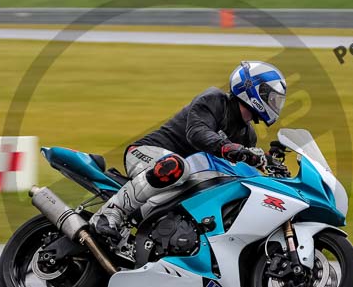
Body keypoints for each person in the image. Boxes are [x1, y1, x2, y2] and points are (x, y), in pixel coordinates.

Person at [89, 61, 287, 242]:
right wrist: (229, 148)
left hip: (184, 179)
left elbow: (243, 166)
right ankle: (108, 214)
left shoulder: (247, 134)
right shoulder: (214, 100)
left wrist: (268, 162)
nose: (274, 103)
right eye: (271, 97)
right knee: (177, 166)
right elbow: (197, 133)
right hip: (146, 155)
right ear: (252, 89)